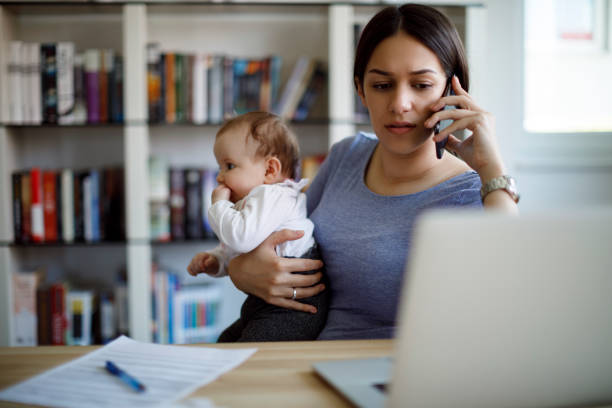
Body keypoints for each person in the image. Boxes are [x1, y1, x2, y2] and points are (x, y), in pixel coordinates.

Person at [190, 4, 519, 340]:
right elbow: (279, 228)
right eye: (382, 85)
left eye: (421, 85)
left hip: (396, 377)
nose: (400, 104)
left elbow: (511, 299)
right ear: (360, 89)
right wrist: (241, 270)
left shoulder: (475, 192)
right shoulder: (346, 156)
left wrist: (492, 168)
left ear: (450, 91)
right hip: (309, 361)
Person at [187, 111, 329, 342]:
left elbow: (240, 238)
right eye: (220, 167)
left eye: (229, 166)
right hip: (264, 301)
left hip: (293, 308)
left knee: (250, 353)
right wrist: (216, 260)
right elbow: (240, 250)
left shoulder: (274, 195)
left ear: (270, 170)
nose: (220, 177)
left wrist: (219, 204)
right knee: (225, 342)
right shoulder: (255, 201)